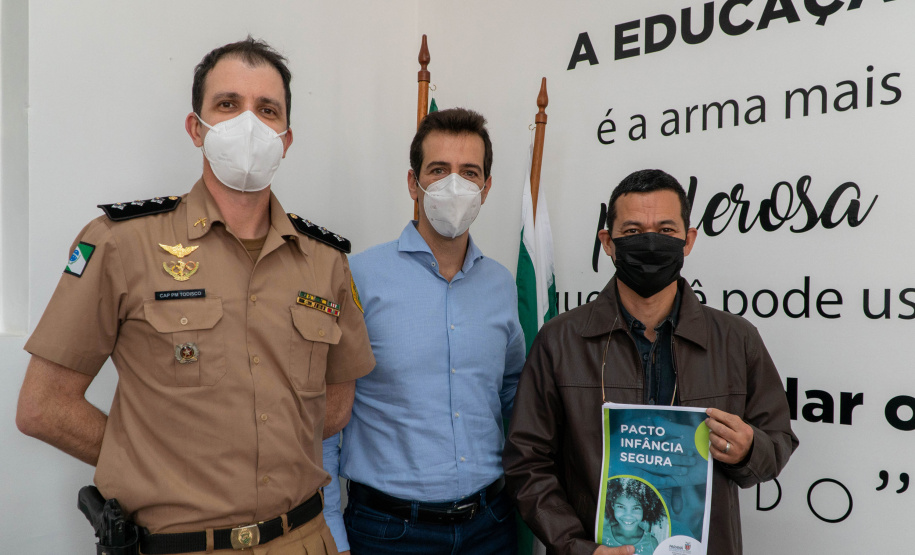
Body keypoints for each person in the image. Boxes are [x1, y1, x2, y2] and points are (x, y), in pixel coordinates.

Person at [15, 37, 375, 555]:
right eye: (227, 105)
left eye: (266, 110)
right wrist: (152, 462)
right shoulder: (120, 242)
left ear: (286, 139)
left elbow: (337, 404)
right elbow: (43, 407)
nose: (247, 124)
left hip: (303, 539)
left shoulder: (326, 260)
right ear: (196, 127)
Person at [503, 169, 798, 555]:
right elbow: (527, 464)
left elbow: (778, 441)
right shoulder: (560, 341)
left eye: (665, 230)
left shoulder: (736, 339)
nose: (650, 242)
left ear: (688, 240)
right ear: (608, 243)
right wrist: (577, 547)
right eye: (632, 232)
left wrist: (748, 450)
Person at [321, 108, 526, 555]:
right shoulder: (358, 277)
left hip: (490, 527)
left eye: (469, 172)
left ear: (486, 189)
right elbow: (328, 418)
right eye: (439, 170)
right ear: (413, 183)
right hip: (387, 533)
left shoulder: (500, 284)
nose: (455, 185)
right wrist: (331, 530)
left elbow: (515, 396)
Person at [601, 479, 662, 554]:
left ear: (644, 508)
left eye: (636, 508)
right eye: (621, 507)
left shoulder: (652, 543)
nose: (628, 515)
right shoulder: (602, 535)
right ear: (612, 505)